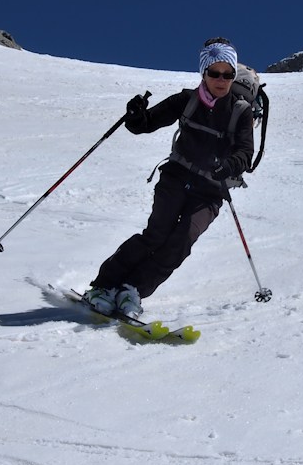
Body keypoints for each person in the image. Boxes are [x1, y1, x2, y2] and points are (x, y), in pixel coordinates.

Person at [83, 39, 256, 317]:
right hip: (176, 178)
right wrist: (136, 115)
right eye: (215, 73)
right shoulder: (186, 100)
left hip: (210, 192)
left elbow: (246, 152)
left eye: (228, 74)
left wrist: (230, 166)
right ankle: (102, 287)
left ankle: (133, 291)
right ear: (204, 73)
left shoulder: (240, 110)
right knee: (156, 235)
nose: (221, 80)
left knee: (181, 241)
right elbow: (145, 124)